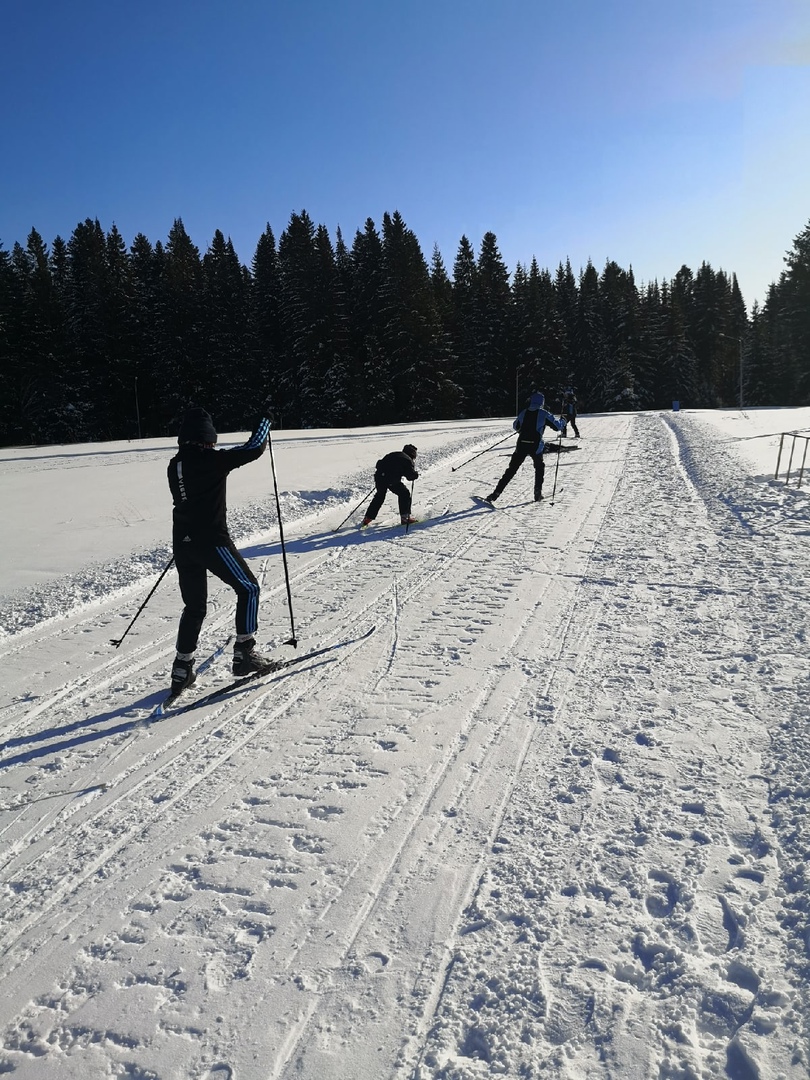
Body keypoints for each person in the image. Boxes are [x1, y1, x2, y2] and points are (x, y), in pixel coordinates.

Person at [167, 406, 274, 696]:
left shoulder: (175, 464)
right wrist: (265, 422)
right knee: (249, 588)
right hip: (212, 540)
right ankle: (245, 653)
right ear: (207, 438)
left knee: (194, 607)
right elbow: (253, 448)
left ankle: (182, 668)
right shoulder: (211, 460)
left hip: (183, 543)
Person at [485, 391, 566, 504]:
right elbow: (557, 427)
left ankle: (495, 494)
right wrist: (563, 421)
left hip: (521, 445)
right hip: (536, 446)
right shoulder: (544, 413)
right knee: (539, 468)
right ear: (542, 402)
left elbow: (516, 426)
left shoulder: (524, 412)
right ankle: (537, 493)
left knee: (511, 470)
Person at [361, 444, 419, 527]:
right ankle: (405, 518)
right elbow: (410, 476)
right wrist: (415, 475)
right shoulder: (408, 460)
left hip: (379, 476)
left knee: (379, 496)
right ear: (412, 454)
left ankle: (367, 518)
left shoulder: (394, 454)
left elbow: (379, 464)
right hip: (391, 479)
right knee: (404, 493)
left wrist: (383, 476)